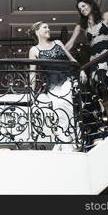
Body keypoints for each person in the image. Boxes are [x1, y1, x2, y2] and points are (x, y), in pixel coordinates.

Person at [65, 0, 108, 127]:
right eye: (80, 8)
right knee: (102, 87)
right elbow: (71, 43)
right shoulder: (81, 26)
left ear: (90, 4)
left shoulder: (107, 15)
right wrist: (59, 52)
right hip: (95, 58)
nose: (82, 9)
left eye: (83, 6)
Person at [27, 21, 82, 151]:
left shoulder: (57, 43)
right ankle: (66, 142)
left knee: (66, 105)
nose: (48, 29)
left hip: (68, 79)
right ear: (37, 31)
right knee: (58, 110)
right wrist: (31, 92)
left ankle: (75, 141)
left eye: (48, 27)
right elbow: (32, 73)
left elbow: (72, 60)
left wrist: (82, 71)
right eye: (45, 27)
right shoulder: (34, 50)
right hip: (52, 86)